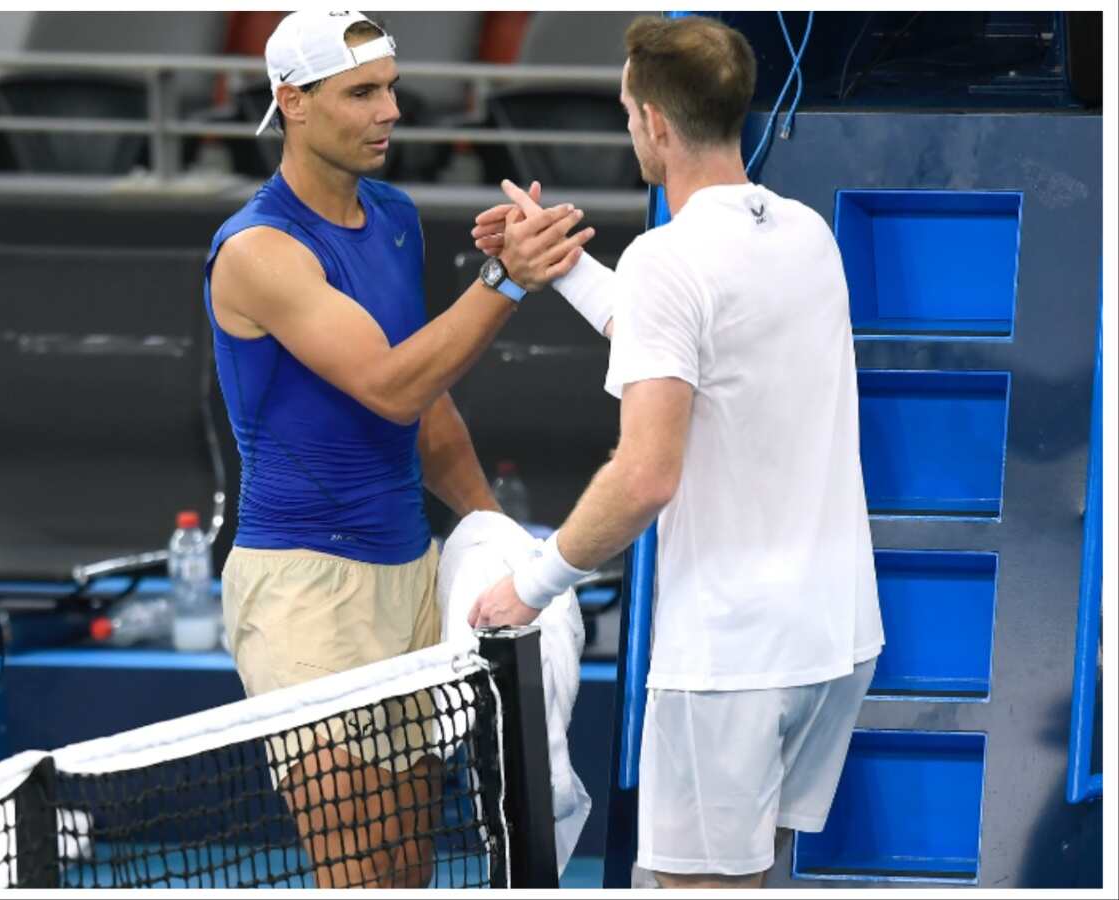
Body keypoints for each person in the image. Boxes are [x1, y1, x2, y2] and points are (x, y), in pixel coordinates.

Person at [468, 15, 884, 890]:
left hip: (732, 659)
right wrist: (564, 265)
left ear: (655, 121)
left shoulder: (669, 258)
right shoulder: (805, 234)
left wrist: (529, 588)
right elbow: (673, 337)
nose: (628, 129)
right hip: (835, 637)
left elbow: (646, 476)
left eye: (626, 112)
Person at [204, 10, 593, 888]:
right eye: (361, 93)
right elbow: (388, 384)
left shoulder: (396, 216)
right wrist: (504, 282)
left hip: (411, 578)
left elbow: (426, 403)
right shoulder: (258, 251)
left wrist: (498, 542)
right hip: (303, 592)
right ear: (292, 103)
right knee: (358, 878)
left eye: (390, 89)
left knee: (404, 869)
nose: (389, 112)